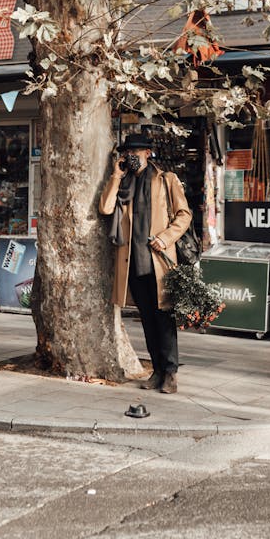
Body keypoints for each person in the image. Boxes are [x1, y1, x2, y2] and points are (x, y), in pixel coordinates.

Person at [99, 133, 192, 393]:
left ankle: (171, 372)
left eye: (137, 152)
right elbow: (105, 209)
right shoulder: (123, 182)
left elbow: (184, 215)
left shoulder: (166, 180)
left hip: (159, 261)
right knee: (148, 320)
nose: (132, 156)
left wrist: (165, 238)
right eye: (128, 152)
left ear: (148, 153)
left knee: (164, 319)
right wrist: (116, 175)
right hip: (132, 263)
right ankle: (157, 371)